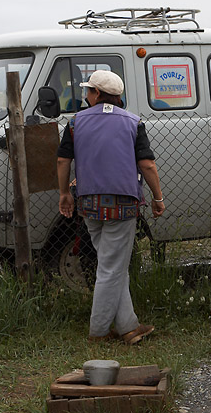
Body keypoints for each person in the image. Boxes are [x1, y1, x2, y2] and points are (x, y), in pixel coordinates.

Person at [57, 70, 165, 345]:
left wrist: (64, 193)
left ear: (96, 94)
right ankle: (99, 331)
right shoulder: (133, 122)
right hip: (123, 205)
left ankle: (129, 327)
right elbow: (147, 164)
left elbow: (62, 161)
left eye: (88, 91)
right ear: (117, 97)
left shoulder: (75, 122)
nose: (86, 96)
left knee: (111, 265)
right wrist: (158, 197)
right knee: (112, 267)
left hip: (90, 204)